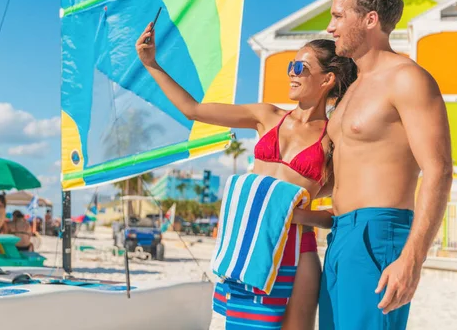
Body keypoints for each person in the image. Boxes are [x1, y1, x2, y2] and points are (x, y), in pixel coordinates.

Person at [136, 26, 357, 329]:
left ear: (327, 79)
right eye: (290, 66)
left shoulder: (333, 138)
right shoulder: (266, 116)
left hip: (299, 249)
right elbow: (194, 110)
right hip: (250, 244)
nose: (291, 73)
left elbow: (340, 212)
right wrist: (152, 64)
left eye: (300, 68)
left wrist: (292, 216)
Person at [294, 0, 453, 330]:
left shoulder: (407, 78)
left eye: (338, 17)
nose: (330, 27)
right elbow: (347, 171)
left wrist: (413, 258)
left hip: (379, 233)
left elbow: (439, 169)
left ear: (370, 20)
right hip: (339, 235)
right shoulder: (352, 91)